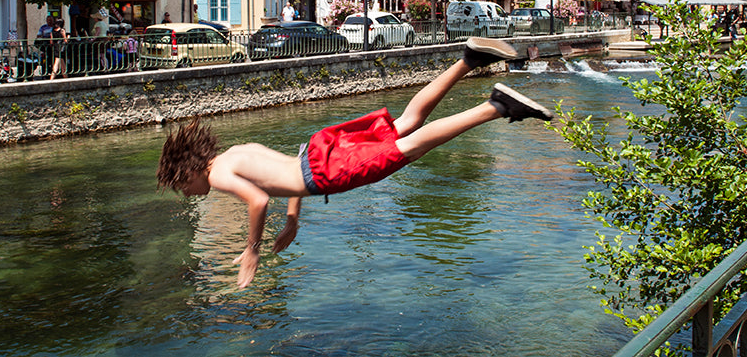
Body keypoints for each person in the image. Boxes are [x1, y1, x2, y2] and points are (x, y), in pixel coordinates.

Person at [156, 37, 554, 288]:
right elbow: (287, 173)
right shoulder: (235, 152)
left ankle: (498, 106)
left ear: (187, 170)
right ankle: (468, 59)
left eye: (182, 187)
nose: (188, 194)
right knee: (404, 124)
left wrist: (252, 250)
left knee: (407, 149)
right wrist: (293, 220)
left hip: (327, 171)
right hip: (318, 151)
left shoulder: (219, 172)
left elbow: (258, 201)